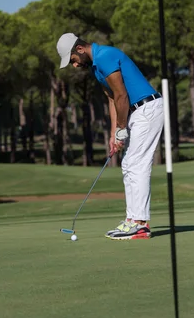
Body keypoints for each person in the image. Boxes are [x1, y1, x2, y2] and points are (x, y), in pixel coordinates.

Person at [56, 33, 164, 240]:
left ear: (79, 49)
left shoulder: (105, 56)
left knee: (136, 163)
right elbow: (113, 99)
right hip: (136, 112)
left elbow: (122, 95)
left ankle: (140, 225)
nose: (75, 66)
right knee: (128, 164)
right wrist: (115, 133)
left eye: (73, 61)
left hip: (147, 108)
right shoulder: (96, 67)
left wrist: (122, 128)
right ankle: (132, 220)